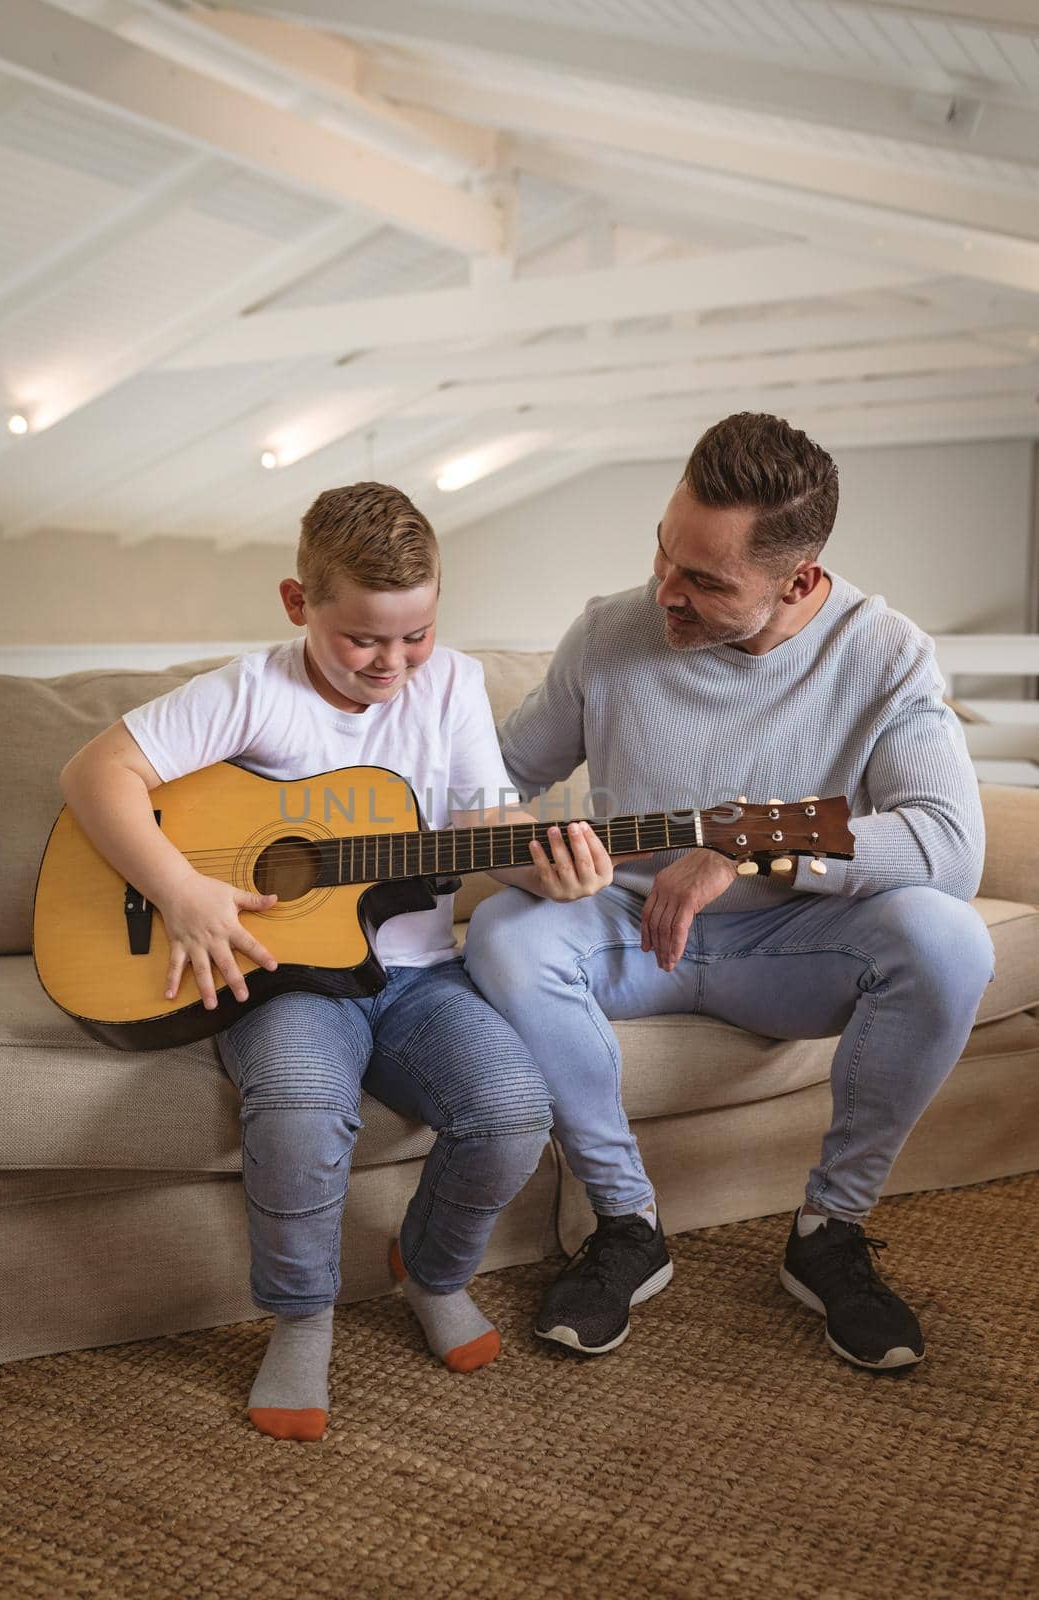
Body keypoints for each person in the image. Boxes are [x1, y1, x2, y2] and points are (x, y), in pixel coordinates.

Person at [58, 482, 614, 1442]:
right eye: (362, 638)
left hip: (417, 978)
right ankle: (301, 1316)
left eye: (416, 635)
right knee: (300, 1108)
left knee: (515, 1110)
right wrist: (183, 891)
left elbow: (483, 822)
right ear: (296, 602)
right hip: (285, 979)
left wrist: (547, 865)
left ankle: (430, 1271)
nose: (392, 663)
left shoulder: (452, 685)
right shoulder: (251, 689)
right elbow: (93, 774)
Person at [464, 412, 995, 1372]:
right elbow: (489, 784)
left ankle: (828, 1230)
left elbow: (949, 844)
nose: (664, 593)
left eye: (704, 581)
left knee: (948, 938)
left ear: (797, 581)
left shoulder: (885, 655)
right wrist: (518, 847)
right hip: (629, 933)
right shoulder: (611, 630)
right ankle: (624, 1225)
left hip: (794, 947)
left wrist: (746, 839)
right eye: (664, 555)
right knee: (504, 932)